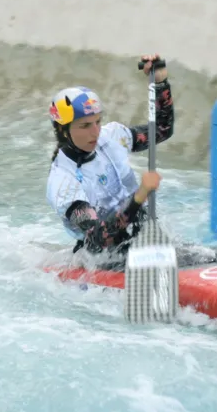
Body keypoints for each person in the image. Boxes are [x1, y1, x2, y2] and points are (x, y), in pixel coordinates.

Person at [46, 54, 174, 262]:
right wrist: (140, 195)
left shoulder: (112, 136)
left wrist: (160, 83)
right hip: (107, 260)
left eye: (97, 122)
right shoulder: (63, 182)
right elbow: (98, 238)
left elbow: (162, 129)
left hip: (145, 240)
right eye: (85, 126)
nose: (95, 132)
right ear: (63, 131)